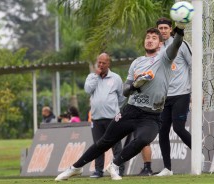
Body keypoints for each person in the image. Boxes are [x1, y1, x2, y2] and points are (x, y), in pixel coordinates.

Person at [55, 26, 185, 181]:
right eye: (147, 37)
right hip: (131, 111)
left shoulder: (165, 58)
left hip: (151, 115)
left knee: (144, 139)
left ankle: (114, 165)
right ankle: (74, 168)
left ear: (160, 44)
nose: (150, 40)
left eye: (154, 38)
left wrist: (180, 31)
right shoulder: (137, 63)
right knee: (104, 142)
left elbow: (176, 44)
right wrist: (134, 86)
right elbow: (124, 91)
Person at [154, 17, 192, 176]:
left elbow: (194, 65)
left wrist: (197, 92)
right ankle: (167, 168)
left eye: (165, 28)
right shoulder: (158, 49)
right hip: (164, 97)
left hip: (182, 94)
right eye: (160, 28)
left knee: (178, 128)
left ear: (170, 29)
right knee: (162, 131)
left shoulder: (182, 44)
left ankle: (198, 153)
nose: (163, 31)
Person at [85, 53, 126, 178]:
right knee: (98, 146)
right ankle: (98, 171)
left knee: (116, 145)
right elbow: (87, 90)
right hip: (96, 118)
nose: (101, 65)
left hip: (112, 118)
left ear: (109, 64)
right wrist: (96, 76)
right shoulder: (92, 77)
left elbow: (122, 97)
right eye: (99, 62)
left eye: (104, 63)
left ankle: (119, 169)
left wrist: (113, 108)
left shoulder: (116, 78)